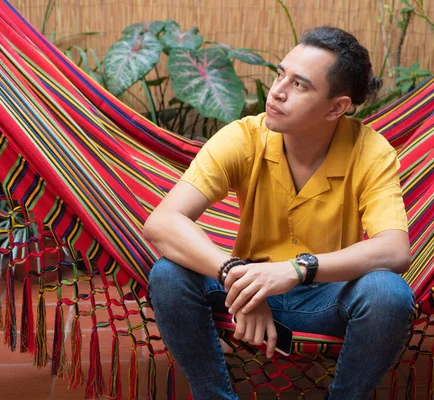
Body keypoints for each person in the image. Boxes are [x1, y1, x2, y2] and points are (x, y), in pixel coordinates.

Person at [143, 26, 415, 400]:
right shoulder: (244, 138)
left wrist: (295, 270)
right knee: (168, 274)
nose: (277, 92)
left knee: (389, 294)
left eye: (300, 85)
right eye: (279, 74)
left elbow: (395, 250)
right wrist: (238, 280)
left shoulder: (370, 151)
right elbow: (162, 222)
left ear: (337, 107)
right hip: (247, 285)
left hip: (325, 297)